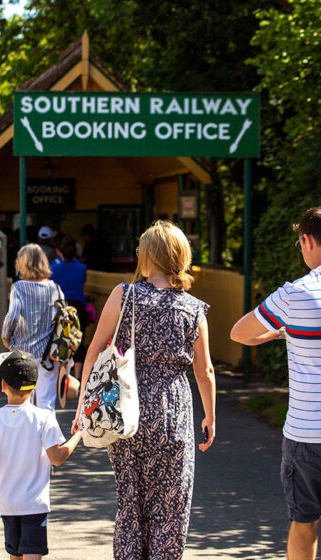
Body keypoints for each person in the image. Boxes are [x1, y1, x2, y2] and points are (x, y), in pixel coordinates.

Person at [72, 220, 216, 560]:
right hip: (174, 412)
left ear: (147, 256)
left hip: (127, 409)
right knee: (171, 502)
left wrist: (83, 406)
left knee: (131, 501)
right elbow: (205, 371)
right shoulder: (193, 309)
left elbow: (95, 351)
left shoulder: (125, 295)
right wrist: (210, 416)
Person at [231, 206, 321, 560]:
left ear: (307, 240)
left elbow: (239, 333)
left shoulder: (295, 294)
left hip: (307, 433)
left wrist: (281, 333)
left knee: (305, 520)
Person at [0, 349, 82, 560]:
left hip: (7, 503)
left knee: (14, 555)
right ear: (34, 387)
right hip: (34, 503)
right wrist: (79, 434)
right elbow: (57, 458)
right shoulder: (43, 418)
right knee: (32, 554)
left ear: (3, 385)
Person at [2, 244, 64, 413]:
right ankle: (49, 439)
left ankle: (27, 438)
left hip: (23, 353)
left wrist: (6, 338)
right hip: (48, 356)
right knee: (47, 404)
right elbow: (63, 321)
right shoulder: (55, 288)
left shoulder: (19, 288)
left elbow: (13, 316)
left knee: (23, 403)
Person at [50, 235, 88, 379]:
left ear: (60, 252)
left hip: (61, 306)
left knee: (61, 339)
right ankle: (77, 377)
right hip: (78, 306)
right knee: (78, 339)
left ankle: (63, 376)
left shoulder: (54, 267)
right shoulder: (82, 267)